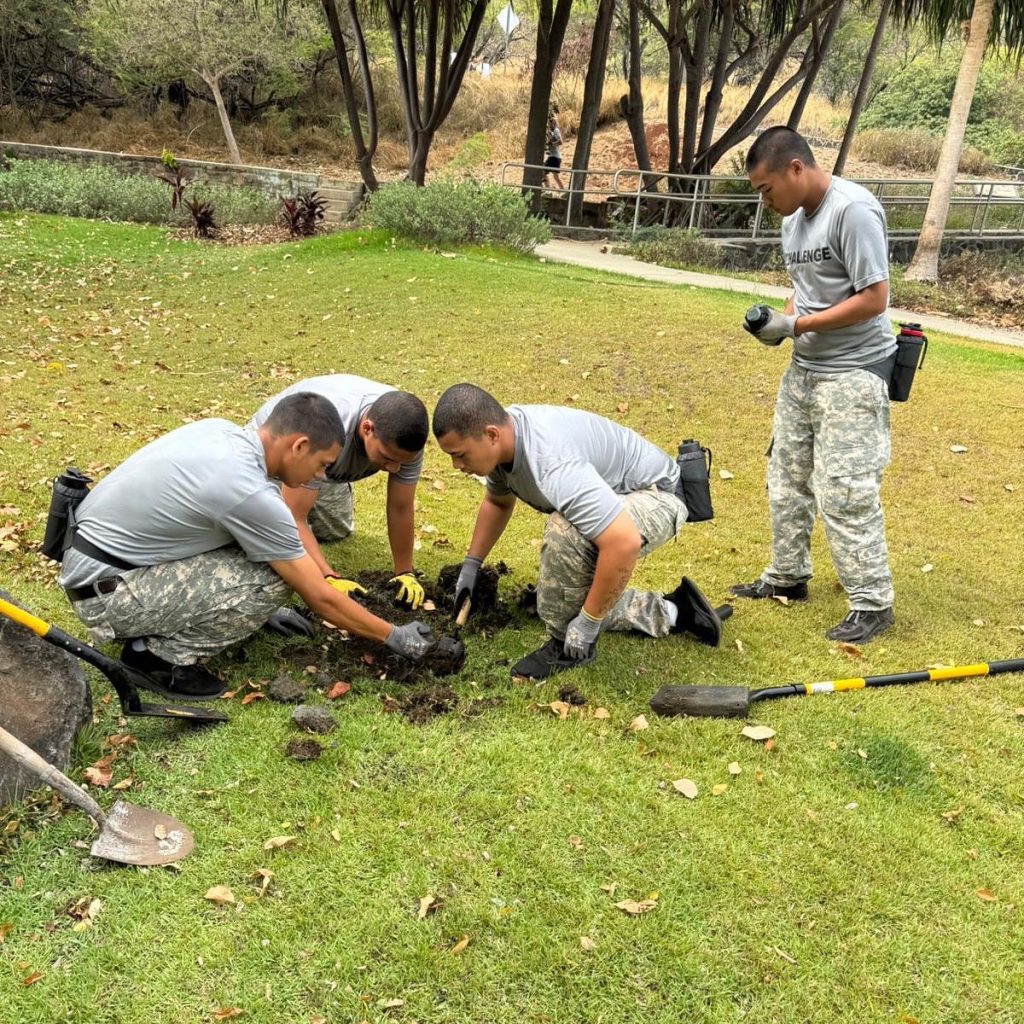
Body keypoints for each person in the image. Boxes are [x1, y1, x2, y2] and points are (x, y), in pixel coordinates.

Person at [58, 393, 435, 700]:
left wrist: (258, 615)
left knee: (273, 561)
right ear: (299, 446)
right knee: (276, 579)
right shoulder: (248, 492)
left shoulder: (222, 432)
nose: (321, 477)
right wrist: (394, 636)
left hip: (93, 561)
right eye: (322, 464)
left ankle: (199, 619)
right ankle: (155, 658)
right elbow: (318, 595)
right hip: (106, 595)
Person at [733, 126, 897, 644]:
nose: (765, 201)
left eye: (766, 188)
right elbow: (803, 295)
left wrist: (799, 326)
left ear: (796, 169)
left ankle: (872, 603)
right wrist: (778, 326)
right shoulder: (793, 222)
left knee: (844, 488)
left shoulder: (853, 211)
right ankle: (787, 576)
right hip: (804, 370)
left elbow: (875, 298)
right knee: (786, 477)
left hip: (854, 370)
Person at [433, 383, 717, 680]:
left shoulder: (552, 462)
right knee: (562, 586)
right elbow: (497, 502)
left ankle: (563, 645)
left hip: (658, 497)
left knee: (564, 530)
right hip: (619, 498)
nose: (456, 465)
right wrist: (471, 565)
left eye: (460, 455)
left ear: (491, 435)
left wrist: (589, 622)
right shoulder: (505, 438)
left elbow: (623, 543)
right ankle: (678, 611)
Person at [249, 375, 429, 610]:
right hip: (276, 459)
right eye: (387, 458)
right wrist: (328, 577)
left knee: (335, 529)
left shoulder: (405, 439)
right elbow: (293, 516)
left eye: (402, 462)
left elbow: (400, 506)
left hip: (324, 466)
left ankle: (317, 485)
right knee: (274, 533)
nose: (395, 468)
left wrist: (405, 572)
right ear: (367, 429)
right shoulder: (330, 428)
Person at [544, 110, 565, 193]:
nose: (549, 124)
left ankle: (548, 190)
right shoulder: (550, 132)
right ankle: (563, 191)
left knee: (543, 172)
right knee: (555, 176)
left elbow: (560, 141)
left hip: (554, 156)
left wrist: (551, 144)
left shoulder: (556, 130)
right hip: (553, 156)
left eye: (550, 122)